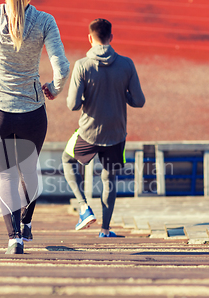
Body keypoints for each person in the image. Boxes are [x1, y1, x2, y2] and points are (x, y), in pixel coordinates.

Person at [0, 0, 69, 253]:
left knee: (7, 175)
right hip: (32, 111)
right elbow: (63, 68)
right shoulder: (45, 21)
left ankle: (14, 239)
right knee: (29, 171)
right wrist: (54, 89)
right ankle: (27, 221)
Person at [61, 18, 145, 237]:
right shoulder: (127, 64)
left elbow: (72, 105)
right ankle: (105, 230)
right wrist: (120, 91)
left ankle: (83, 207)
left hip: (88, 132)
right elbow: (139, 101)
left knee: (67, 159)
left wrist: (86, 97)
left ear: (90, 38)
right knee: (109, 179)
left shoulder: (82, 65)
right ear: (111, 38)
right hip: (116, 134)